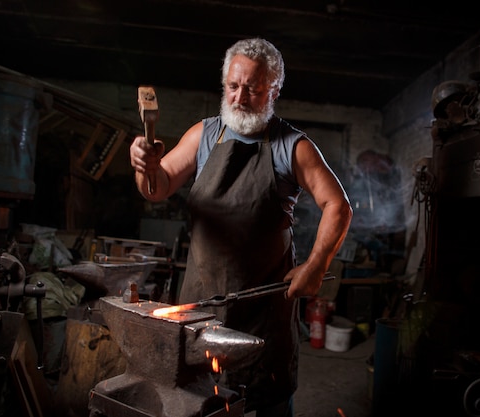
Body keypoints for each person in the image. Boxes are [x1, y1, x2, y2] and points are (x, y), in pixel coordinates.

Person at [129, 37, 352, 416]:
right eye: (233, 86)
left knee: (266, 401)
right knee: (198, 400)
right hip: (201, 304)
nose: (239, 97)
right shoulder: (204, 134)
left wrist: (316, 266)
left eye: (253, 88)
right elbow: (158, 187)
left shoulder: (291, 146)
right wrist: (144, 166)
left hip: (262, 311)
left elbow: (337, 205)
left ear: (274, 89)